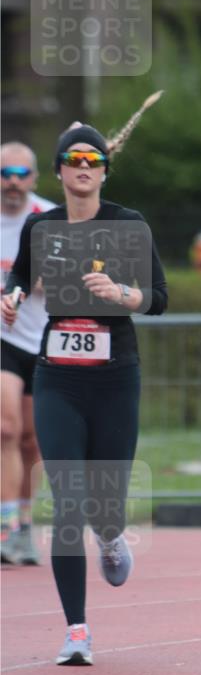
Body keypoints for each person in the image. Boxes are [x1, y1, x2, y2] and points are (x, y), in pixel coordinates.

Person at [1, 92, 167, 665]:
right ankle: (77, 630)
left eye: (92, 161)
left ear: (103, 170)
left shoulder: (128, 224)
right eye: (73, 160)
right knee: (66, 501)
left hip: (115, 378)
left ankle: (113, 534)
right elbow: (19, 278)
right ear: (60, 171)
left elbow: (160, 298)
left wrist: (125, 295)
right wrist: (11, 297)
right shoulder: (40, 227)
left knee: (105, 505)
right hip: (58, 378)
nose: (82, 169)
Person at [1, 142, 55, 565]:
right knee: (5, 428)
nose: (13, 181)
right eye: (5, 173)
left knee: (31, 438)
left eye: (21, 173)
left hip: (40, 340)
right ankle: (7, 527)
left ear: (34, 178)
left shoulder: (49, 219)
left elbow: (72, 280)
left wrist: (39, 283)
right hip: (4, 338)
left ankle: (22, 523)